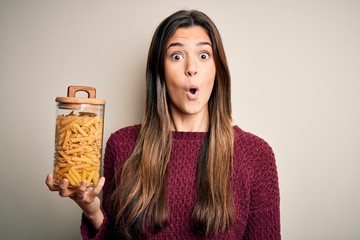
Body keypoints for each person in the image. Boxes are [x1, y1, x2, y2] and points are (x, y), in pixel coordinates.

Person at [46, 9, 281, 239]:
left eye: (204, 55)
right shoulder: (123, 145)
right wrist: (91, 210)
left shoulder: (256, 155)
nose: (191, 68)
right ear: (160, 70)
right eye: (176, 56)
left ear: (217, 69)